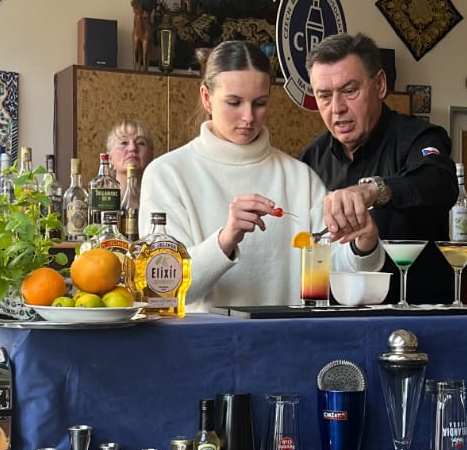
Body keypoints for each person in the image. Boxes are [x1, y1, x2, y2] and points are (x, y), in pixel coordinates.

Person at [141, 40, 384, 310]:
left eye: (259, 103)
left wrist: (364, 245)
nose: (248, 117)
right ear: (207, 98)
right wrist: (225, 240)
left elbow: (335, 272)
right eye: (234, 102)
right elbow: (162, 290)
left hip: (288, 336)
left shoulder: (300, 177)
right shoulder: (167, 175)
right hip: (203, 337)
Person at [301, 31, 458, 304]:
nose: (337, 108)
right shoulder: (310, 159)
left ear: (380, 85)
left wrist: (374, 190)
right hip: (335, 317)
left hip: (417, 313)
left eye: (350, 91)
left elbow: (440, 182)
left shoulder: (419, 137)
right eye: (324, 96)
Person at [106, 118, 154, 191]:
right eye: (124, 143)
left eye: (140, 143)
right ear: (109, 157)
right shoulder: (97, 197)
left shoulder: (162, 195)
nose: (132, 148)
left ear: (151, 155)